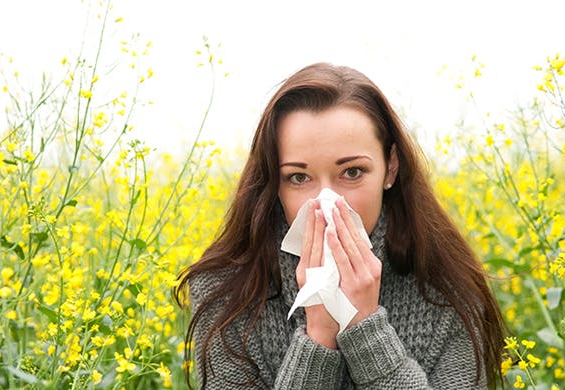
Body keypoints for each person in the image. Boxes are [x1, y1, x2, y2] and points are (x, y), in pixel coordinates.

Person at [176, 63, 505, 389]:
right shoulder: (225, 293)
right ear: (274, 182)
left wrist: (366, 329)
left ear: (390, 167)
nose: (326, 202)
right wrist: (318, 336)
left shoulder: (448, 289)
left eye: (352, 173)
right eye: (299, 178)